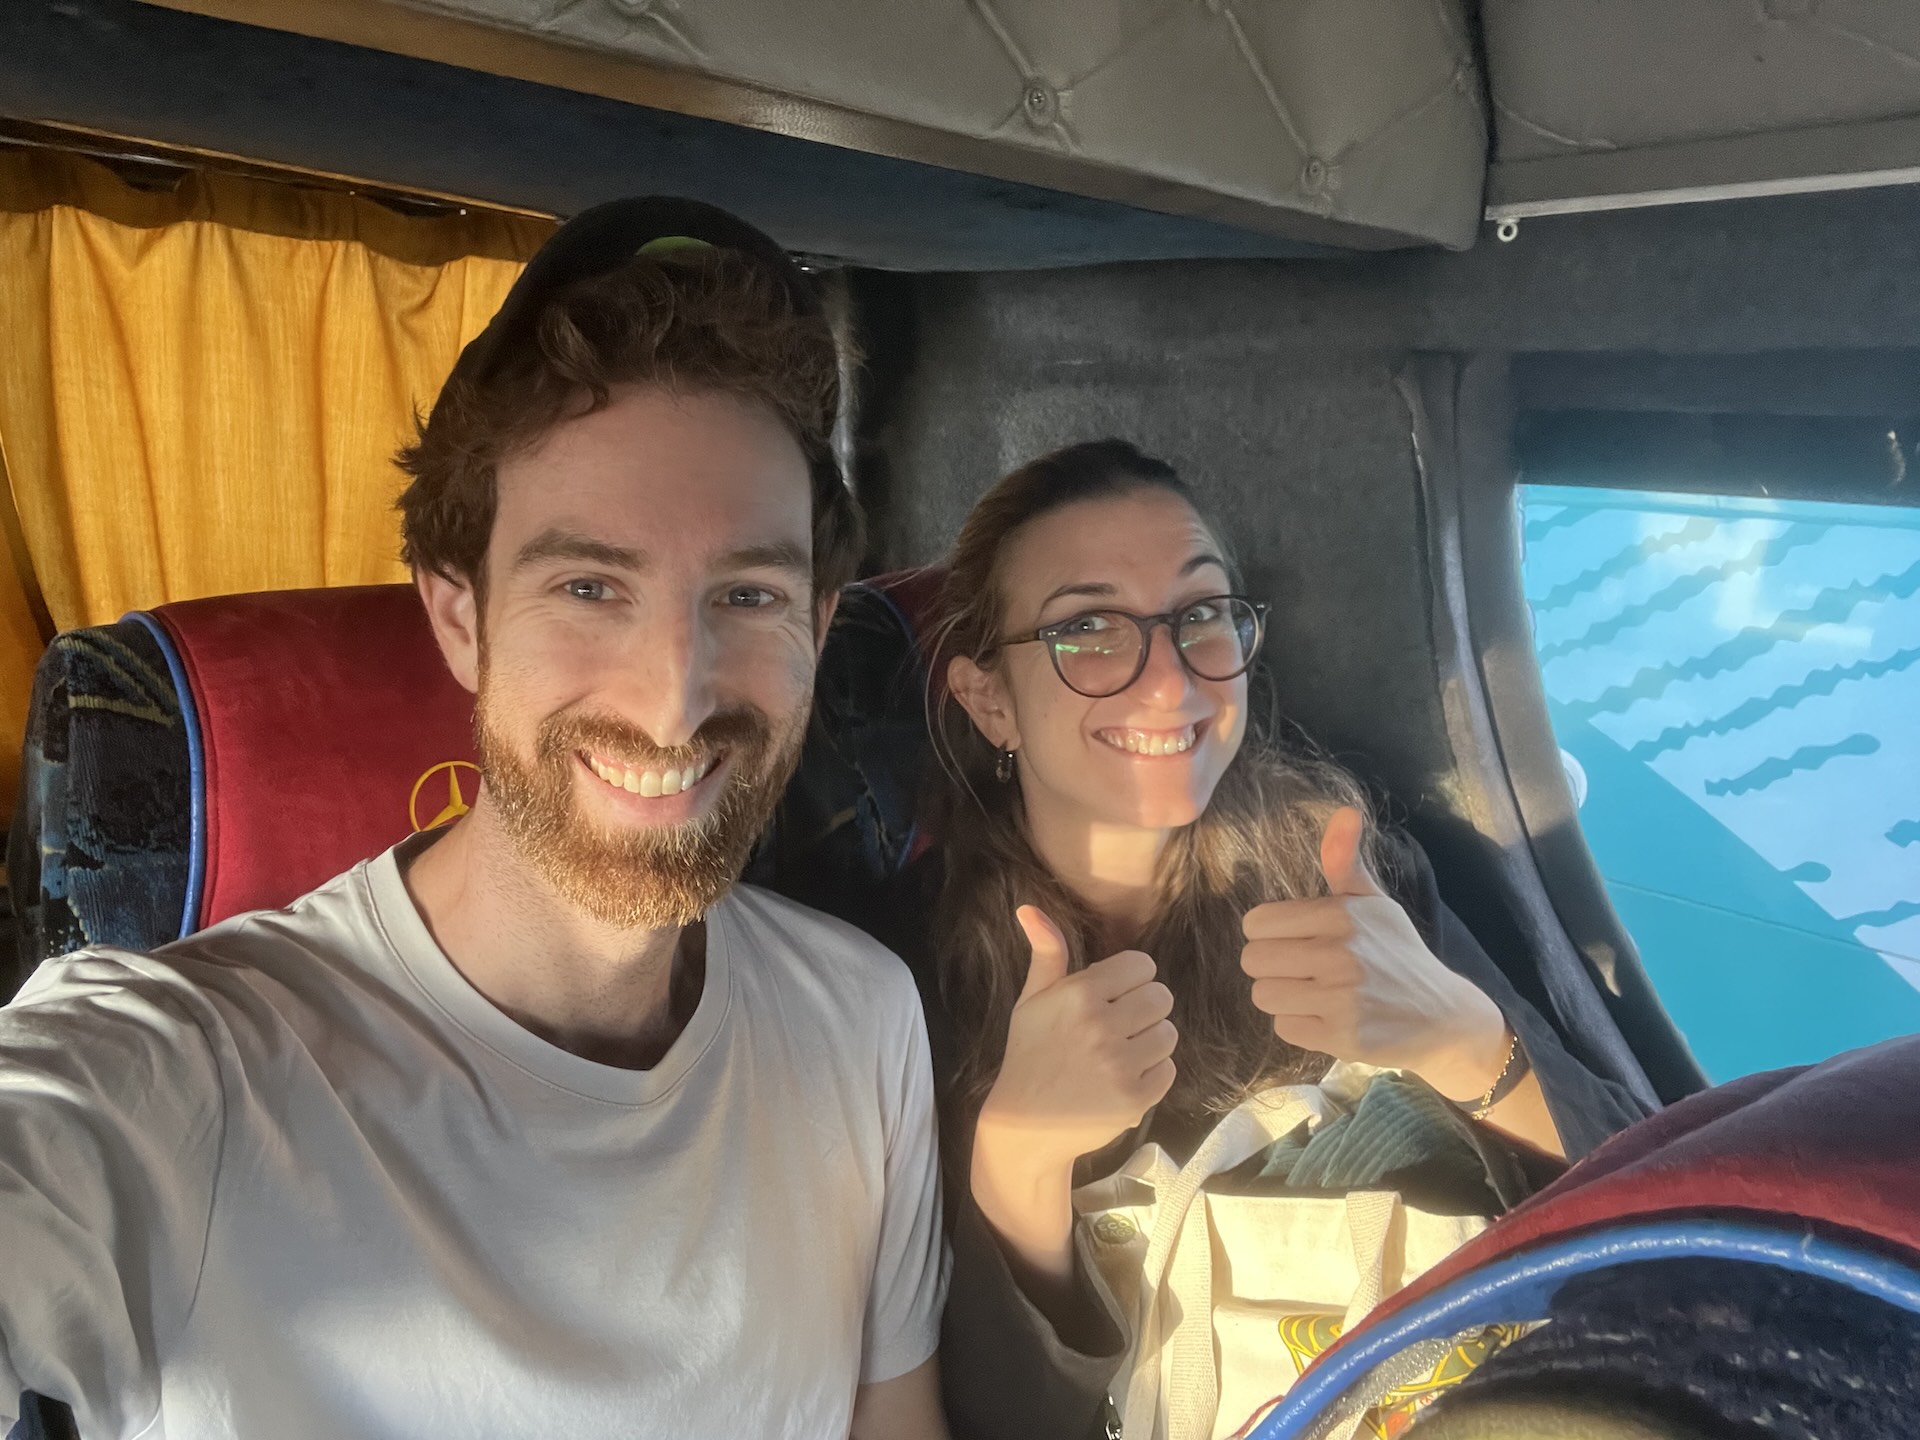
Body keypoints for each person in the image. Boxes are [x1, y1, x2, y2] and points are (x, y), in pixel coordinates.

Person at [0, 198, 949, 1439]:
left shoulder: (863, 1020)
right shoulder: (187, 1071)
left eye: (750, 592)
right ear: (460, 619)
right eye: (590, 585)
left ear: (818, 631)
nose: (676, 697)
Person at [850, 439, 1654, 1439]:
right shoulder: (885, 982)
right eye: (1089, 630)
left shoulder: (1356, 875)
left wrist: (1471, 1044)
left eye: (1199, 616)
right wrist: (1018, 1167)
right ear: (989, 701)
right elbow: (972, 1419)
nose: (1167, 684)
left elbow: (1665, 1212)